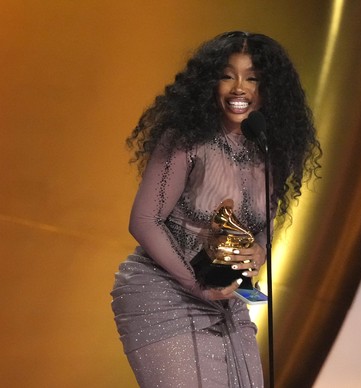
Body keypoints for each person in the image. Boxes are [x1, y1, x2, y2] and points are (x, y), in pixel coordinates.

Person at [111, 31, 322, 387]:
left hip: (226, 300)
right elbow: (145, 220)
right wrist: (196, 286)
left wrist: (259, 250)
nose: (239, 87)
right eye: (228, 75)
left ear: (269, 89)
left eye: (252, 78)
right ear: (211, 83)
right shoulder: (187, 139)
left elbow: (264, 225)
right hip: (164, 294)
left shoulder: (270, 150)